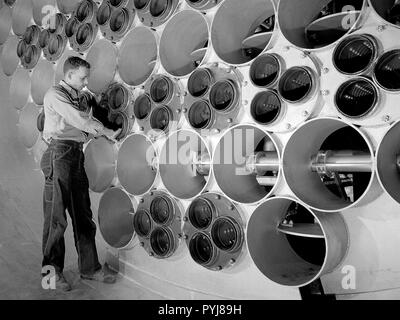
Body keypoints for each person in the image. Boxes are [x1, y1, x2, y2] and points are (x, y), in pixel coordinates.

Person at [40, 56, 120, 292]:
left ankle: (90, 268)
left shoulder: (80, 98)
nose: (86, 82)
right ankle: (50, 276)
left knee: (83, 216)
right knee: (56, 219)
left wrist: (103, 126)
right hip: (59, 154)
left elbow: (88, 118)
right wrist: (104, 130)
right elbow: (78, 119)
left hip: (75, 155)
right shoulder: (54, 95)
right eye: (83, 77)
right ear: (70, 74)